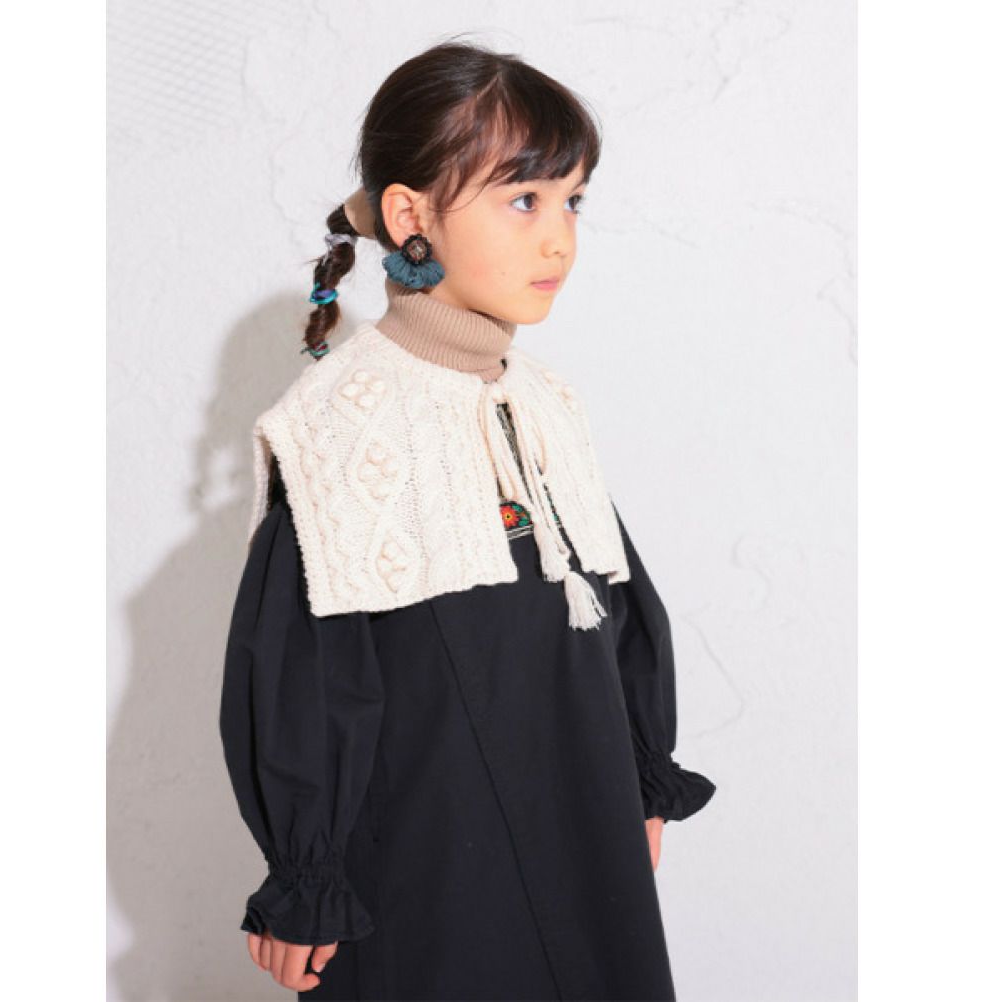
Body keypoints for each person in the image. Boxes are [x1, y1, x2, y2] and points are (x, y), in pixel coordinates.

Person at [219, 39, 717, 1001]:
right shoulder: (335, 428)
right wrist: (305, 880)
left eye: (573, 201)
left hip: (584, 833)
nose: (559, 239)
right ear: (412, 217)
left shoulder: (543, 401)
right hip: (429, 871)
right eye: (523, 200)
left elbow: (609, 607)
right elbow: (305, 677)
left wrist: (638, 775)